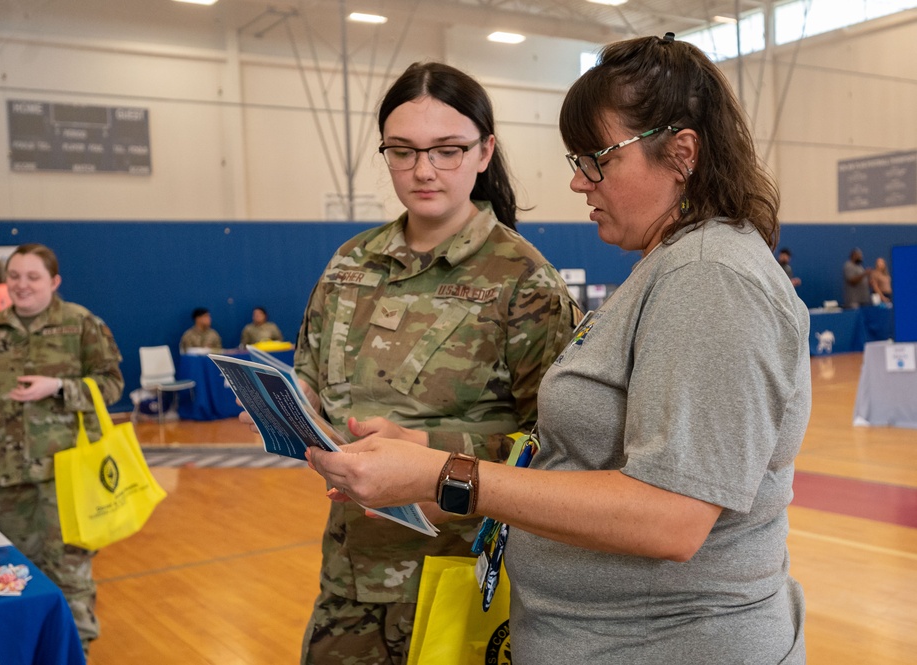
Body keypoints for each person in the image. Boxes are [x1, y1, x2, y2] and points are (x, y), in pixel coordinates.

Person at [307, 34, 810, 664]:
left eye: (595, 160)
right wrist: (429, 454)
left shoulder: (710, 276)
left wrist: (443, 473)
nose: (577, 182)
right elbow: (573, 456)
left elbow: (671, 518)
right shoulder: (673, 268)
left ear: (681, 154)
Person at [276, 61, 578, 664]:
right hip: (350, 576)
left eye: (447, 150)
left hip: (460, 580)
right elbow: (310, 374)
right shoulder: (350, 264)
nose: (423, 170)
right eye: (403, 151)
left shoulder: (524, 282)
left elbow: (560, 452)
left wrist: (423, 446)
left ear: (485, 151)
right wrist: (293, 407)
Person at [0, 243, 124, 655]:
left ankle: (75, 654)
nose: (22, 285)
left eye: (33, 277)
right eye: (15, 276)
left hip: (69, 476)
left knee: (71, 576)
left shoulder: (81, 324)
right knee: (12, 578)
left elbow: (112, 384)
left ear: (54, 281)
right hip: (6, 479)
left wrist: (59, 387)